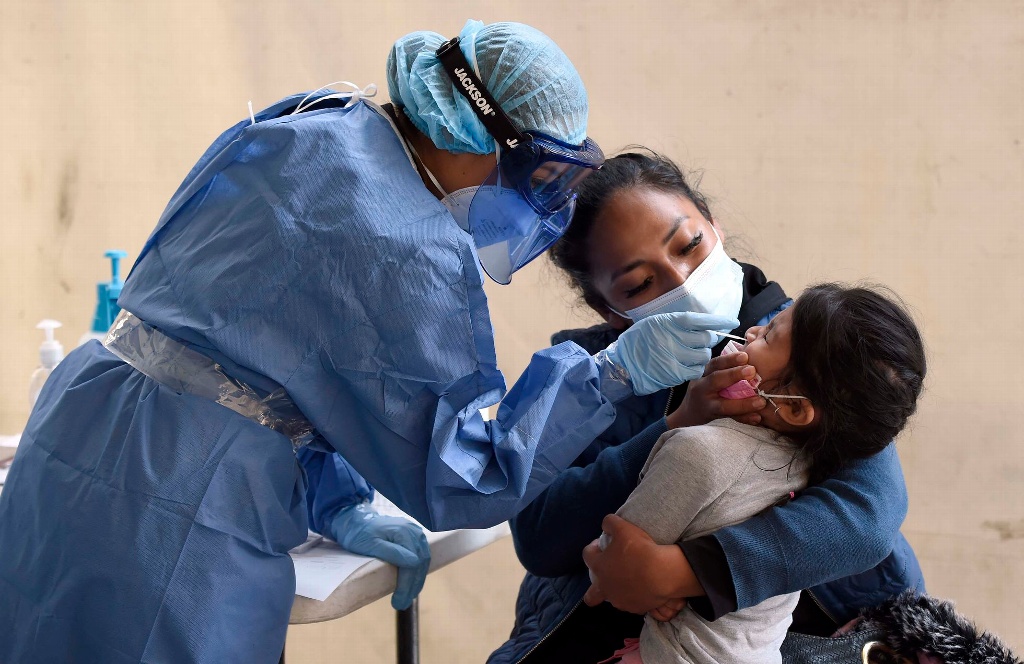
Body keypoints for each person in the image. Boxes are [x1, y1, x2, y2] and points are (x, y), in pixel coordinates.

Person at [0, 23, 738, 663]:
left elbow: (258, 357)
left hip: (77, 431)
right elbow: (466, 478)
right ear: (482, 136)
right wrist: (607, 375)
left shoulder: (313, 122)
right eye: (540, 171)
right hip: (175, 512)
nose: (539, 200)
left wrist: (334, 495)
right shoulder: (406, 244)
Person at [489, 152, 924, 664]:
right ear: (609, 310)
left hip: (829, 638)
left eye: (690, 245)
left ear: (714, 226)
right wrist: (675, 426)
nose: (681, 281)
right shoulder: (579, 380)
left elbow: (869, 515)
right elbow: (539, 536)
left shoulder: (814, 344)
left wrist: (684, 572)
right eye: (638, 284)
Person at [600, 283, 927, 663]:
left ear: (794, 409)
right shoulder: (812, 466)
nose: (751, 332)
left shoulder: (696, 453)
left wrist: (651, 575)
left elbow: (612, 563)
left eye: (769, 335)